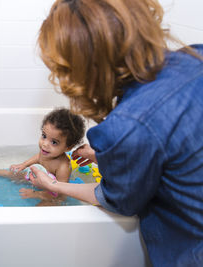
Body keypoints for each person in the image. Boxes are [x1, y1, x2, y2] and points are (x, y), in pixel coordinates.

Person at [30, 0, 203, 265]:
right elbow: (179, 154)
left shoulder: (126, 127)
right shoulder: (195, 57)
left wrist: (51, 184)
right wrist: (107, 157)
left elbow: (117, 200)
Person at [0, 108, 85, 205]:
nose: (45, 144)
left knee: (43, 207)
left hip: (53, 192)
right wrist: (24, 165)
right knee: (15, 174)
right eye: (44, 136)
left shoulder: (63, 167)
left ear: (68, 147)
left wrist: (36, 194)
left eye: (54, 142)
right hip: (39, 180)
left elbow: (60, 193)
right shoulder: (48, 152)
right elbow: (38, 157)